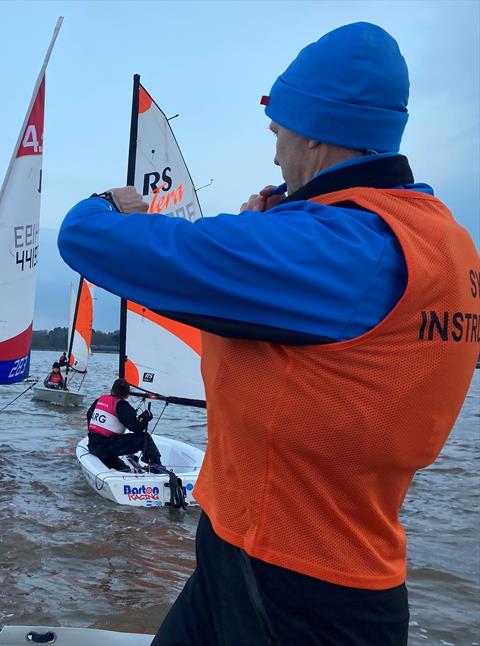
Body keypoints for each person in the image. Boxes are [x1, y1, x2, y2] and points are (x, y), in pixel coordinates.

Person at [57, 22, 478, 646]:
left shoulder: (340, 250)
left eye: (278, 133)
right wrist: (281, 221)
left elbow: (87, 240)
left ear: (314, 132)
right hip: (279, 558)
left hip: (295, 593)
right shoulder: (441, 239)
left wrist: (104, 202)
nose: (274, 155)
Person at [86, 378, 162, 469]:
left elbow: (89, 415)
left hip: (92, 444)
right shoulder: (121, 405)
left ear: (111, 390)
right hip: (106, 447)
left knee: (122, 463)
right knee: (144, 438)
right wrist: (144, 418)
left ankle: (116, 464)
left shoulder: (100, 400)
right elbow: (137, 428)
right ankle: (156, 465)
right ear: (127, 395)